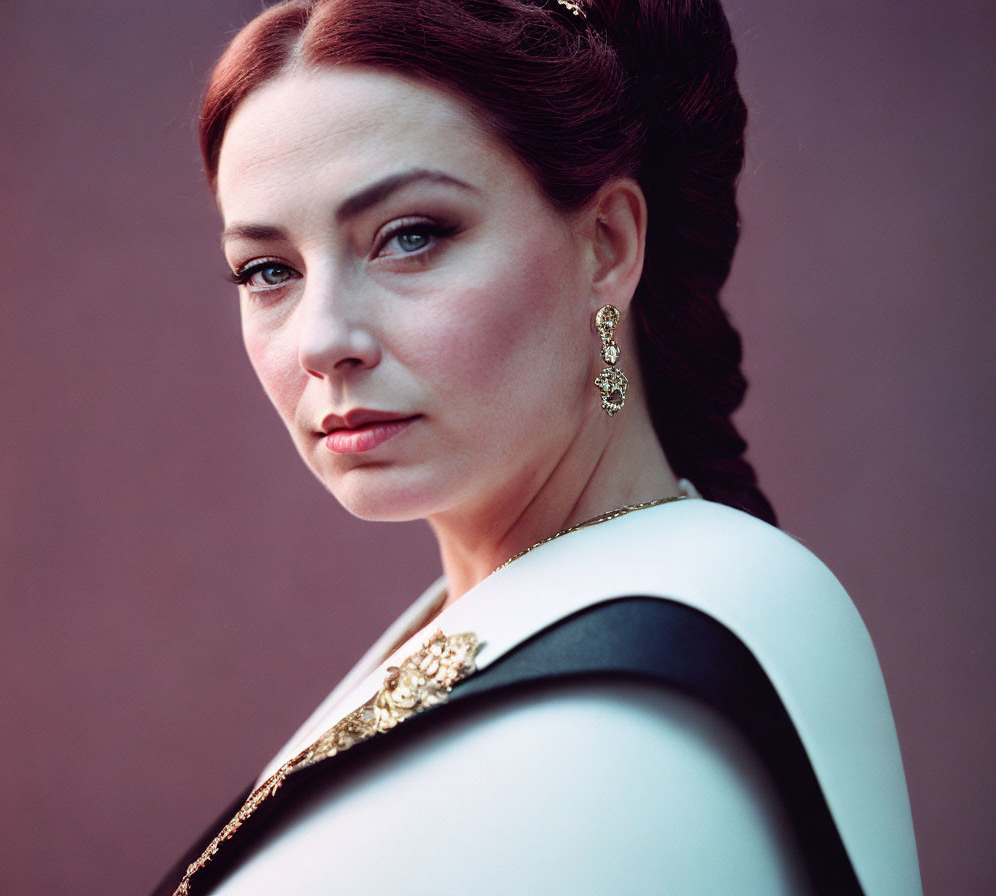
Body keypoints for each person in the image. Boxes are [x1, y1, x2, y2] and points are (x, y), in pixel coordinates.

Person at [153, 0, 921, 893]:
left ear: (607, 244)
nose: (322, 341)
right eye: (268, 271)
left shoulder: (679, 636)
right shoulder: (506, 608)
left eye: (411, 236)